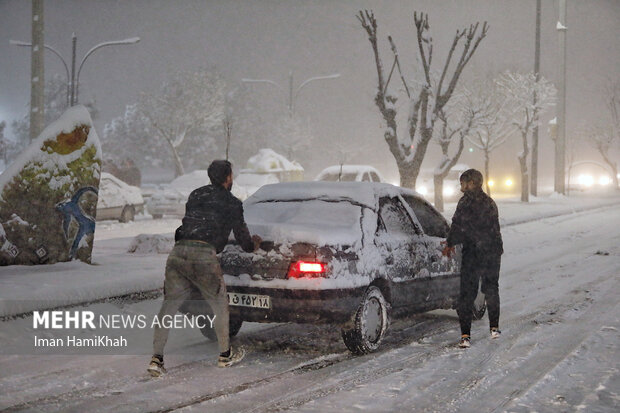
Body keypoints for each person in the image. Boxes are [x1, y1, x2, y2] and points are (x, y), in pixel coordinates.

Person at [148, 160, 261, 376]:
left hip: (178, 252)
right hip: (204, 255)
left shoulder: (195, 195)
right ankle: (224, 354)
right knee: (219, 305)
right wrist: (254, 243)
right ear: (228, 177)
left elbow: (192, 221)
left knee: (168, 308)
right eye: (231, 175)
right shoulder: (233, 203)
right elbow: (244, 241)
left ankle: (156, 358)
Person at [442, 169, 503, 349]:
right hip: (492, 252)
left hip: (473, 254)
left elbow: (458, 226)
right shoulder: (490, 203)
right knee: (491, 289)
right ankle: (494, 328)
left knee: (467, 294)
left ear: (472, 183)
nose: (461, 187)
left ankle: (465, 336)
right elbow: (492, 229)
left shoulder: (465, 203)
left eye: (463, 183)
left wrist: (450, 243)